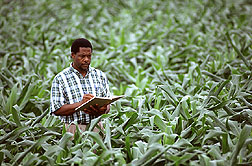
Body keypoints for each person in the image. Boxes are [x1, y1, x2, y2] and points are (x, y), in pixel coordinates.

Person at [50, 38, 110, 134]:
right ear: (73, 55)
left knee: (99, 149)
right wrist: (81, 104)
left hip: (96, 127)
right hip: (72, 129)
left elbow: (107, 105)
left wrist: (101, 110)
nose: (86, 60)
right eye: (82, 56)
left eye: (89, 56)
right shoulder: (61, 78)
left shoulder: (100, 75)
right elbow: (57, 109)